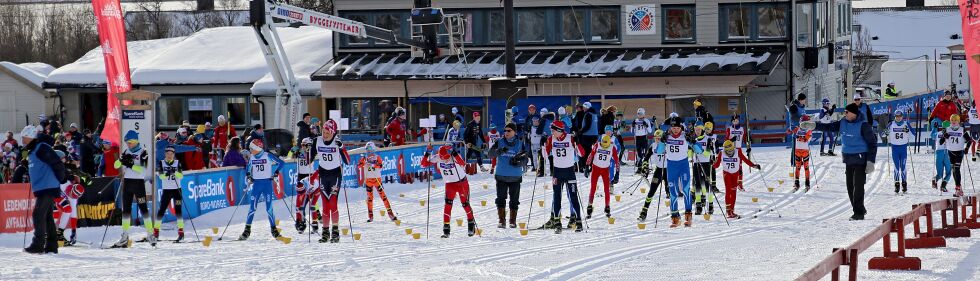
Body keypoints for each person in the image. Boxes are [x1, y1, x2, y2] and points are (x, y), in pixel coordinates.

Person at [22, 125, 68, 254]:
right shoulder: (33, 150)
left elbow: (56, 163)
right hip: (43, 187)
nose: (23, 141)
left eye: (25, 138)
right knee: (47, 217)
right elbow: (40, 166)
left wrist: (61, 178)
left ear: (31, 137)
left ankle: (38, 244)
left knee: (37, 214)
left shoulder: (41, 147)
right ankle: (52, 246)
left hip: (48, 186)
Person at [827, 103, 878, 220]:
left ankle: (858, 213)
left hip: (861, 160)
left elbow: (872, 143)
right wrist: (813, 125)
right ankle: (860, 208)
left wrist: (871, 161)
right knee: (850, 187)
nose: (845, 114)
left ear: (854, 114)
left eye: (847, 112)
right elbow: (828, 127)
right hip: (848, 159)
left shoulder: (863, 125)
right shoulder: (842, 123)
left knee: (858, 186)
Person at [421, 145, 478, 238]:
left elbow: (463, 163)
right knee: (448, 205)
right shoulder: (437, 157)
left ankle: (471, 224)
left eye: (447, 157)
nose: (445, 160)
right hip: (449, 184)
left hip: (461, 183)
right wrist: (427, 153)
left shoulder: (454, 156)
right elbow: (423, 164)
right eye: (443, 158)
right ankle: (446, 230)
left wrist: (454, 153)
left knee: (465, 204)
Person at [658, 118, 704, 228]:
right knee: (673, 192)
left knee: (686, 189)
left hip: (683, 165)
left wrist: (693, 141)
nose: (675, 130)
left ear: (681, 127)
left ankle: (688, 215)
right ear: (670, 127)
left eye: (678, 128)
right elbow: (659, 151)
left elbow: (699, 151)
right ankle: (675, 217)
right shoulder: (667, 136)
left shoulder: (685, 135)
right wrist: (662, 141)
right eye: (673, 128)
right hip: (671, 166)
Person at [112, 130, 153, 247]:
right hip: (128, 183)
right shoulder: (126, 151)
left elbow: (143, 171)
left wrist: (130, 164)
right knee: (126, 210)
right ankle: (124, 236)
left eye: (130, 142)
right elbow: (115, 166)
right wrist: (121, 160)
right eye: (127, 142)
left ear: (135, 141)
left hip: (138, 184)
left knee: (143, 209)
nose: (128, 145)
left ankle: (150, 234)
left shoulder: (143, 152)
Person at [238, 139, 285, 241]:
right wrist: (249, 176)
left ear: (257, 148)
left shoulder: (267, 155)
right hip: (257, 185)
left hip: (267, 184)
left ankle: (274, 230)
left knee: (269, 208)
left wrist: (276, 172)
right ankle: (247, 230)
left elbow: (281, 163)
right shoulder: (252, 157)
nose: (250, 150)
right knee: (252, 208)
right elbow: (248, 168)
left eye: (252, 148)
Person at [543, 120, 585, 233]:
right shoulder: (551, 139)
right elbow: (544, 156)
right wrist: (544, 145)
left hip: (569, 172)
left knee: (573, 197)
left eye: (553, 130)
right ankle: (557, 222)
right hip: (557, 172)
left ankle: (578, 221)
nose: (551, 132)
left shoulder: (570, 138)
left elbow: (582, 154)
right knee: (557, 197)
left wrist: (578, 142)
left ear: (559, 130)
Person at [314, 120, 350, 243]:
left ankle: (335, 232)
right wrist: (305, 151)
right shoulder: (317, 141)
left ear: (333, 132)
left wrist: (342, 147)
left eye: (327, 133)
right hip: (323, 175)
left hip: (335, 175)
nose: (324, 135)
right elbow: (308, 159)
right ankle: (325, 233)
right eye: (323, 132)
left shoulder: (337, 142)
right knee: (325, 205)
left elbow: (348, 161)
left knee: (332, 203)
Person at [488, 123, 526, 228]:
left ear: (514, 132)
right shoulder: (499, 142)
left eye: (509, 131)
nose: (506, 133)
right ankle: (501, 220)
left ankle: (512, 221)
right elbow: (490, 154)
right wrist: (499, 151)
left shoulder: (519, 143)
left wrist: (519, 161)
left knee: (514, 200)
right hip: (501, 175)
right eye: (505, 130)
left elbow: (526, 158)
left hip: (515, 176)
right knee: (500, 199)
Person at [712, 140, 761, 219]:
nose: (729, 153)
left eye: (730, 151)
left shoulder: (737, 152)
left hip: (735, 174)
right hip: (727, 173)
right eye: (727, 151)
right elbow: (716, 165)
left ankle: (732, 210)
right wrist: (712, 163)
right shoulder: (722, 153)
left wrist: (754, 165)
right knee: (728, 190)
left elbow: (745, 160)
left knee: (733, 192)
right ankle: (728, 212)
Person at [358, 141, 397, 223]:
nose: (368, 151)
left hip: (376, 179)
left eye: (370, 149)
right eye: (367, 149)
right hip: (368, 180)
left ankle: (390, 213)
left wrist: (372, 164)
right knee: (369, 198)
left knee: (383, 196)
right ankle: (370, 216)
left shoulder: (377, 157)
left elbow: (380, 166)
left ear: (373, 149)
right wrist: (364, 162)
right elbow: (359, 166)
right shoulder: (364, 158)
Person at [155, 146, 186, 242]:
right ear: (165, 154)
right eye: (167, 154)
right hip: (167, 190)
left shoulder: (177, 163)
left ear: (173, 155)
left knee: (178, 211)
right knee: (161, 210)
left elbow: (181, 176)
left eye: (171, 154)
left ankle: (181, 232)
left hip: (177, 190)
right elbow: (161, 177)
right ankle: (156, 232)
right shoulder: (161, 163)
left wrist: (175, 172)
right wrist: (167, 173)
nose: (169, 156)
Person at [940, 114, 975, 197]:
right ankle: (959, 187)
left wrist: (966, 148)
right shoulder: (947, 129)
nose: (953, 122)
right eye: (952, 120)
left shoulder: (962, 130)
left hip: (959, 152)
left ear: (958, 121)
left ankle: (958, 189)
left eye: (955, 120)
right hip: (950, 152)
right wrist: (944, 136)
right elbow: (941, 142)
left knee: (956, 169)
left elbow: (970, 140)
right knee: (953, 170)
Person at [586, 134, 619, 219]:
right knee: (593, 188)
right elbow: (591, 155)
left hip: (605, 170)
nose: (604, 148)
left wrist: (617, 173)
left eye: (606, 146)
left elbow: (616, 160)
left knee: (606, 189)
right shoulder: (597, 145)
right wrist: (587, 166)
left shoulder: (612, 147)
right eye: (603, 146)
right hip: (596, 168)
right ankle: (589, 206)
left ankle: (607, 207)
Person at [637, 130, 667, 221]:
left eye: (659, 138)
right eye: (655, 138)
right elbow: (646, 158)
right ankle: (644, 211)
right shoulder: (652, 146)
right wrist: (644, 167)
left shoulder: (667, 145)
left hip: (668, 170)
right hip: (658, 170)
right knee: (651, 191)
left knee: (670, 192)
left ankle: (675, 212)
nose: (657, 140)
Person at [293, 138, 320, 233]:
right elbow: (290, 156)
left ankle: (316, 218)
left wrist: (303, 151)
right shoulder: (300, 151)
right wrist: (293, 151)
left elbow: (308, 159)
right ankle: (301, 222)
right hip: (300, 177)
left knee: (311, 201)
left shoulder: (311, 153)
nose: (303, 147)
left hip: (309, 176)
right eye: (302, 145)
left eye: (305, 145)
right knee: (301, 203)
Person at [885, 110, 915, 194]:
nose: (898, 118)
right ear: (895, 117)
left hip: (903, 148)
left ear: (902, 116)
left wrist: (907, 131)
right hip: (895, 148)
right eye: (896, 116)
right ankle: (897, 184)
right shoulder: (891, 124)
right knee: (896, 167)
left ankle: (904, 184)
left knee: (903, 166)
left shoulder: (906, 124)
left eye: (900, 116)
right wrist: (886, 133)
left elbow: (913, 136)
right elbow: (884, 135)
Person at [689, 123, 715, 215]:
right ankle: (698, 205)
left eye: (699, 130)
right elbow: (689, 155)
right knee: (697, 185)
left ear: (702, 130)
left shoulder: (708, 139)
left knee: (708, 184)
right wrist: (689, 145)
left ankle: (710, 204)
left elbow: (707, 154)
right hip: (696, 164)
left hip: (706, 164)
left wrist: (699, 148)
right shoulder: (694, 139)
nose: (697, 131)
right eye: (696, 130)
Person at [787, 115, 815, 192]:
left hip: (805, 151)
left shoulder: (809, 130)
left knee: (806, 167)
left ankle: (807, 183)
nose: (802, 124)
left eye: (804, 123)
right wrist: (790, 130)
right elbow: (789, 131)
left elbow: (805, 139)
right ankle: (796, 183)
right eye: (801, 122)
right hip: (797, 150)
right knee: (798, 167)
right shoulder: (798, 128)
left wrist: (797, 136)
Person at [932, 118, 952, 192]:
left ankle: (935, 179)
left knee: (940, 174)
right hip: (947, 153)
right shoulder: (950, 133)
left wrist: (934, 128)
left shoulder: (938, 133)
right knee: (949, 172)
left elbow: (932, 136)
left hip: (938, 153)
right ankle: (943, 186)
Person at [579, 102, 599, 171]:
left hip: (588, 135)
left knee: (586, 151)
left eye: (584, 107)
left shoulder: (588, 114)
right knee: (592, 151)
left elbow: (587, 126)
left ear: (586, 107)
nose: (583, 108)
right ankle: (592, 165)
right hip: (594, 135)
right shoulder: (594, 114)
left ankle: (586, 166)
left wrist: (580, 132)